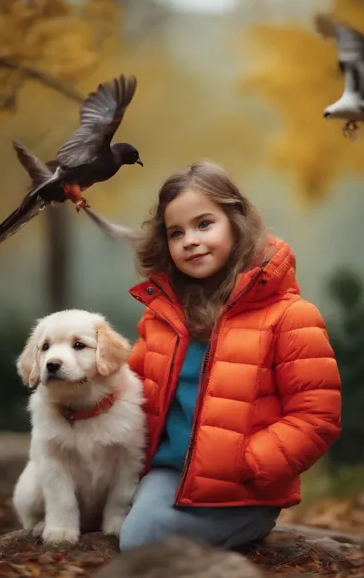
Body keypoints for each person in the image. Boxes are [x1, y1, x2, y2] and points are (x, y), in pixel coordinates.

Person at [119, 160, 341, 551]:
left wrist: (247, 462)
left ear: (236, 222)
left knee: (141, 542)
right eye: (176, 232)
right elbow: (130, 392)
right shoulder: (162, 316)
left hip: (245, 488)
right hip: (169, 473)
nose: (190, 239)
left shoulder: (290, 316)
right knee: (129, 531)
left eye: (204, 224)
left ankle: (237, 539)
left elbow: (316, 417)